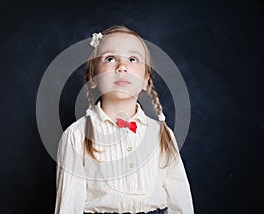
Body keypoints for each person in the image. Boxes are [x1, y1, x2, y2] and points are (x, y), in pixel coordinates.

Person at [55, 25, 194, 214]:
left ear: (146, 79)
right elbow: (68, 208)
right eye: (110, 59)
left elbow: (181, 203)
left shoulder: (161, 134)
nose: (122, 66)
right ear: (93, 77)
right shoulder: (76, 136)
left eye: (133, 59)